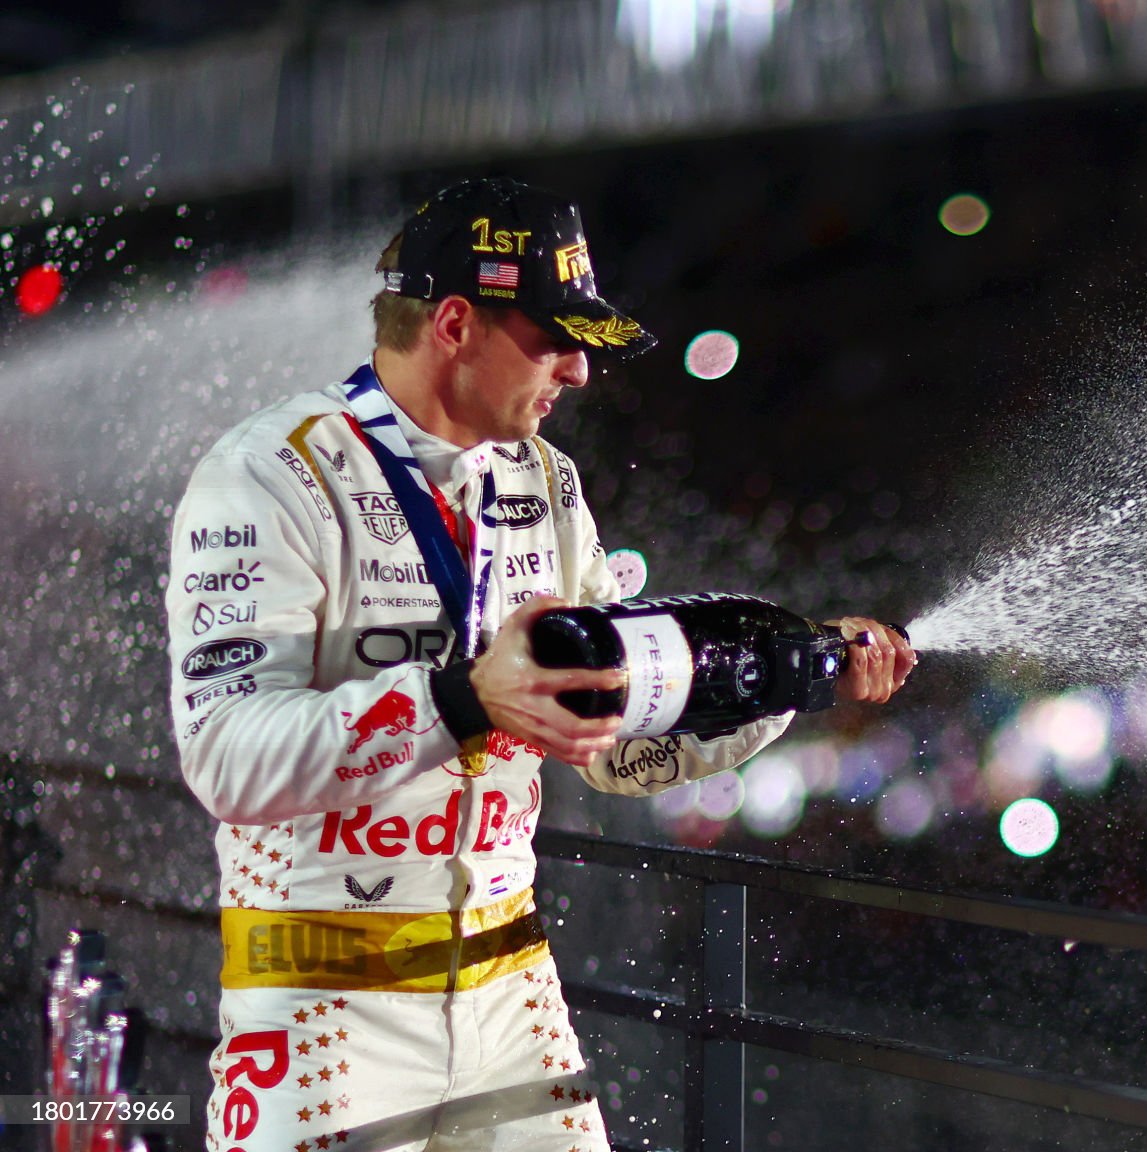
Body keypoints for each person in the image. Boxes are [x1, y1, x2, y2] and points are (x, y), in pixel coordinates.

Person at [166, 178, 914, 1152]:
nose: (579, 370)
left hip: (512, 992)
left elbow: (609, 740)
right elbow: (226, 761)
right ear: (452, 323)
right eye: (556, 337)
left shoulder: (546, 483)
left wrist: (786, 679)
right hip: (324, 1004)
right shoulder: (268, 473)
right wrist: (465, 697)